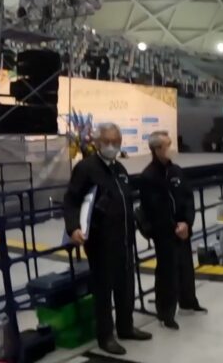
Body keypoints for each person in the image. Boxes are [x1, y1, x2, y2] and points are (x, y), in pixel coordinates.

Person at [63, 123, 152, 356]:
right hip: (101, 241)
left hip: (124, 238)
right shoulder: (86, 168)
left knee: (125, 286)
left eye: (116, 142)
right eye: (108, 141)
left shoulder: (119, 169)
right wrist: (73, 228)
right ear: (97, 142)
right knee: (103, 291)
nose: (112, 146)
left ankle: (125, 327)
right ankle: (105, 336)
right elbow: (71, 200)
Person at [141, 131, 206, 331]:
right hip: (164, 232)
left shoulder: (176, 171)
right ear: (156, 149)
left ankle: (188, 301)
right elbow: (154, 208)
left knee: (186, 267)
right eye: (167, 145)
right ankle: (166, 313)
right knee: (167, 272)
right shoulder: (149, 176)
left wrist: (187, 222)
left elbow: (187, 197)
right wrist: (173, 227)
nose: (171, 149)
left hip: (182, 229)